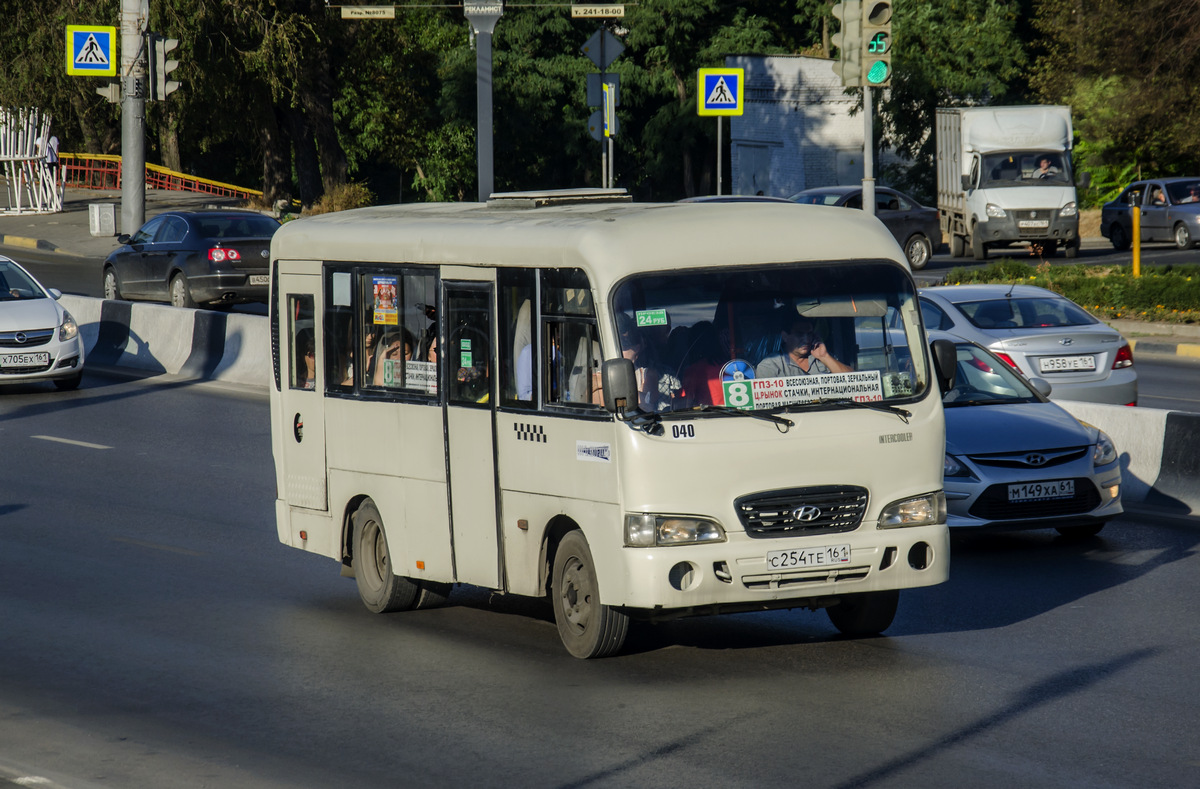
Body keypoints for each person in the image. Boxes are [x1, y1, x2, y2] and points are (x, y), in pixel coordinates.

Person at [618, 314, 681, 411]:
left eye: (626, 345)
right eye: (620, 343)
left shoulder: (651, 375)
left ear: (637, 348)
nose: (621, 350)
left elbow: (645, 401)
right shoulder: (606, 374)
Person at [755, 315, 851, 378]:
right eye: (799, 334)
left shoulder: (822, 357)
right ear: (785, 336)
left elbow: (853, 380)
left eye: (809, 334)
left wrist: (824, 356)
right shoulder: (769, 366)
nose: (806, 340)